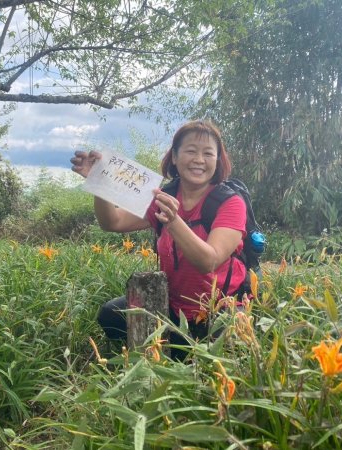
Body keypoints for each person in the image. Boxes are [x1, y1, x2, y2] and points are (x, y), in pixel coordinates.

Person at [70, 120, 247, 359]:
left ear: (217, 161)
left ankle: (174, 352)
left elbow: (209, 261)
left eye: (208, 153)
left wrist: (173, 221)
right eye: (191, 151)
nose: (199, 159)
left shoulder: (231, 203)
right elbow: (113, 223)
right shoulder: (163, 196)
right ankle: (164, 351)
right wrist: (101, 184)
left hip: (219, 309)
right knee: (110, 315)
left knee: (208, 361)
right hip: (170, 304)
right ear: (174, 156)